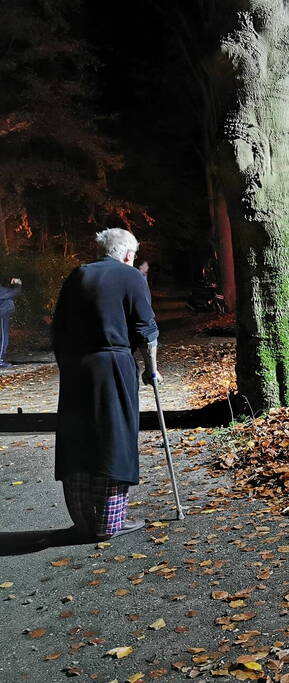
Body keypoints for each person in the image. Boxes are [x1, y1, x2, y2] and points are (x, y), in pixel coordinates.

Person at [52, 228, 160, 541]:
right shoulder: (132, 277)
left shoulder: (78, 275)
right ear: (128, 254)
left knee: (78, 437)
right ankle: (109, 523)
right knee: (115, 436)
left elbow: (58, 329)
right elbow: (146, 330)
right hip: (113, 365)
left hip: (75, 368)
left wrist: (67, 364)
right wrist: (151, 370)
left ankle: (84, 521)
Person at [0, 276, 23, 368]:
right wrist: (18, 284)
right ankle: (0, 360)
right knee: (4, 337)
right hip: (2, 314)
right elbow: (14, 292)